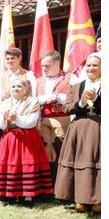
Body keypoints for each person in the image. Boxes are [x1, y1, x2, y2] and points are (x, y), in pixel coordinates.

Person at [0, 78, 53, 207]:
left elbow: (31, 121)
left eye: (19, 86)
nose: (15, 88)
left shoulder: (33, 102)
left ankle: (28, 196)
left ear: (26, 89)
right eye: (13, 86)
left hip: (27, 139)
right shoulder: (5, 103)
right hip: (10, 138)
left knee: (27, 165)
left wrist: (17, 118)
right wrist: (4, 118)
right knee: (11, 165)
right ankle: (11, 195)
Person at [55, 52, 101, 213]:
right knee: (80, 162)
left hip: (99, 129)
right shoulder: (76, 86)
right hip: (78, 130)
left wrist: (97, 100)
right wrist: (81, 102)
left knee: (97, 162)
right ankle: (80, 198)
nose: (91, 68)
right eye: (88, 65)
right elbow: (67, 107)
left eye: (95, 65)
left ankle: (99, 199)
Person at [35, 50, 73, 184]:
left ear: (57, 63)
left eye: (47, 65)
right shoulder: (39, 81)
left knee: (61, 148)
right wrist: (45, 99)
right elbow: (34, 99)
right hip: (44, 118)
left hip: (62, 118)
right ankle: (47, 185)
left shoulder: (69, 77)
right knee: (45, 150)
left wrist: (58, 97)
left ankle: (62, 184)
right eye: (43, 66)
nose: (44, 69)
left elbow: (73, 98)